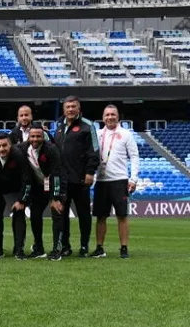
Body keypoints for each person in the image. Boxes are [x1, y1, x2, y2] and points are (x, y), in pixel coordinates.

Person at [91, 105, 139, 259]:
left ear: (118, 117)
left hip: (119, 180)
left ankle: (124, 248)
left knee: (122, 215)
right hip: (102, 179)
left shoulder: (126, 134)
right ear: (103, 117)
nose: (110, 117)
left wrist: (133, 178)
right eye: (107, 115)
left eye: (113, 114)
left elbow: (134, 156)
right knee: (100, 216)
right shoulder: (97, 134)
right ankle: (99, 247)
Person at [54, 95, 99, 257]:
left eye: (74, 106)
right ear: (64, 109)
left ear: (79, 108)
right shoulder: (59, 126)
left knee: (84, 214)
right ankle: (65, 246)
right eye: (68, 107)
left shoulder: (88, 126)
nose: (71, 109)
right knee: (62, 215)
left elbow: (94, 151)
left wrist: (90, 172)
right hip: (63, 180)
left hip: (81, 179)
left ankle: (84, 245)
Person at [23, 123, 66, 261]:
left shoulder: (51, 149)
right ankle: (39, 249)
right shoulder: (24, 148)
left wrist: (55, 197)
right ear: (29, 137)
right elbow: (10, 149)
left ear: (43, 137)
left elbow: (57, 174)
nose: (35, 139)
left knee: (57, 215)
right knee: (35, 215)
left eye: (38, 136)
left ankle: (56, 250)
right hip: (39, 188)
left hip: (55, 185)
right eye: (33, 136)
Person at [0, 132, 31, 259]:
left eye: (4, 145)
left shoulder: (19, 155)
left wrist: (21, 200)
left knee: (19, 213)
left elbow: (26, 179)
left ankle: (19, 249)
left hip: (16, 188)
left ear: (10, 145)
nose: (1, 149)